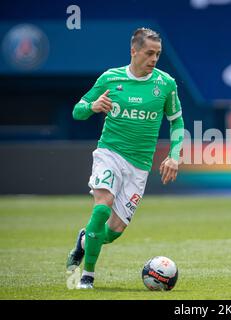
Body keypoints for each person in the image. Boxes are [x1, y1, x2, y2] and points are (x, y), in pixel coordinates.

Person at [66, 28, 184, 289]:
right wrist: (92, 106)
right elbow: (77, 111)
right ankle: (88, 275)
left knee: (111, 232)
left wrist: (174, 156)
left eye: (158, 54)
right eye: (149, 53)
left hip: (139, 167)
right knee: (102, 207)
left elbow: (177, 123)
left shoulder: (166, 84)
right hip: (109, 154)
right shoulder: (110, 78)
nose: (154, 59)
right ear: (134, 51)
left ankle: (84, 241)